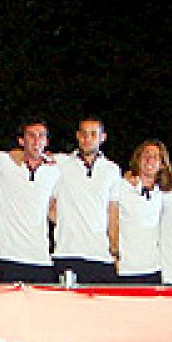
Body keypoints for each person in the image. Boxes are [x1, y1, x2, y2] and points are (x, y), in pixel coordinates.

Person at [0, 120, 61, 283]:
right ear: (21, 141)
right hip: (5, 258)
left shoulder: (55, 170)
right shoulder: (3, 162)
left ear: (46, 141)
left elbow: (54, 209)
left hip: (40, 259)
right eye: (31, 136)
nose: (36, 141)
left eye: (41, 136)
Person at [51, 119, 122, 284]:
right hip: (67, 254)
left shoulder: (112, 170)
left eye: (93, 134)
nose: (87, 138)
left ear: (102, 137)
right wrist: (66, 222)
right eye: (83, 133)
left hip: (101, 257)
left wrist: (115, 252)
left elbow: (112, 214)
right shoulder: (60, 163)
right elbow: (48, 205)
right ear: (77, 136)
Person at [109, 139, 171, 285]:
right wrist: (115, 254)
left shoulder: (164, 193)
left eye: (155, 156)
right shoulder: (121, 186)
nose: (150, 159)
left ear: (162, 164)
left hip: (154, 268)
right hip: (125, 269)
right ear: (138, 159)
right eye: (146, 155)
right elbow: (112, 222)